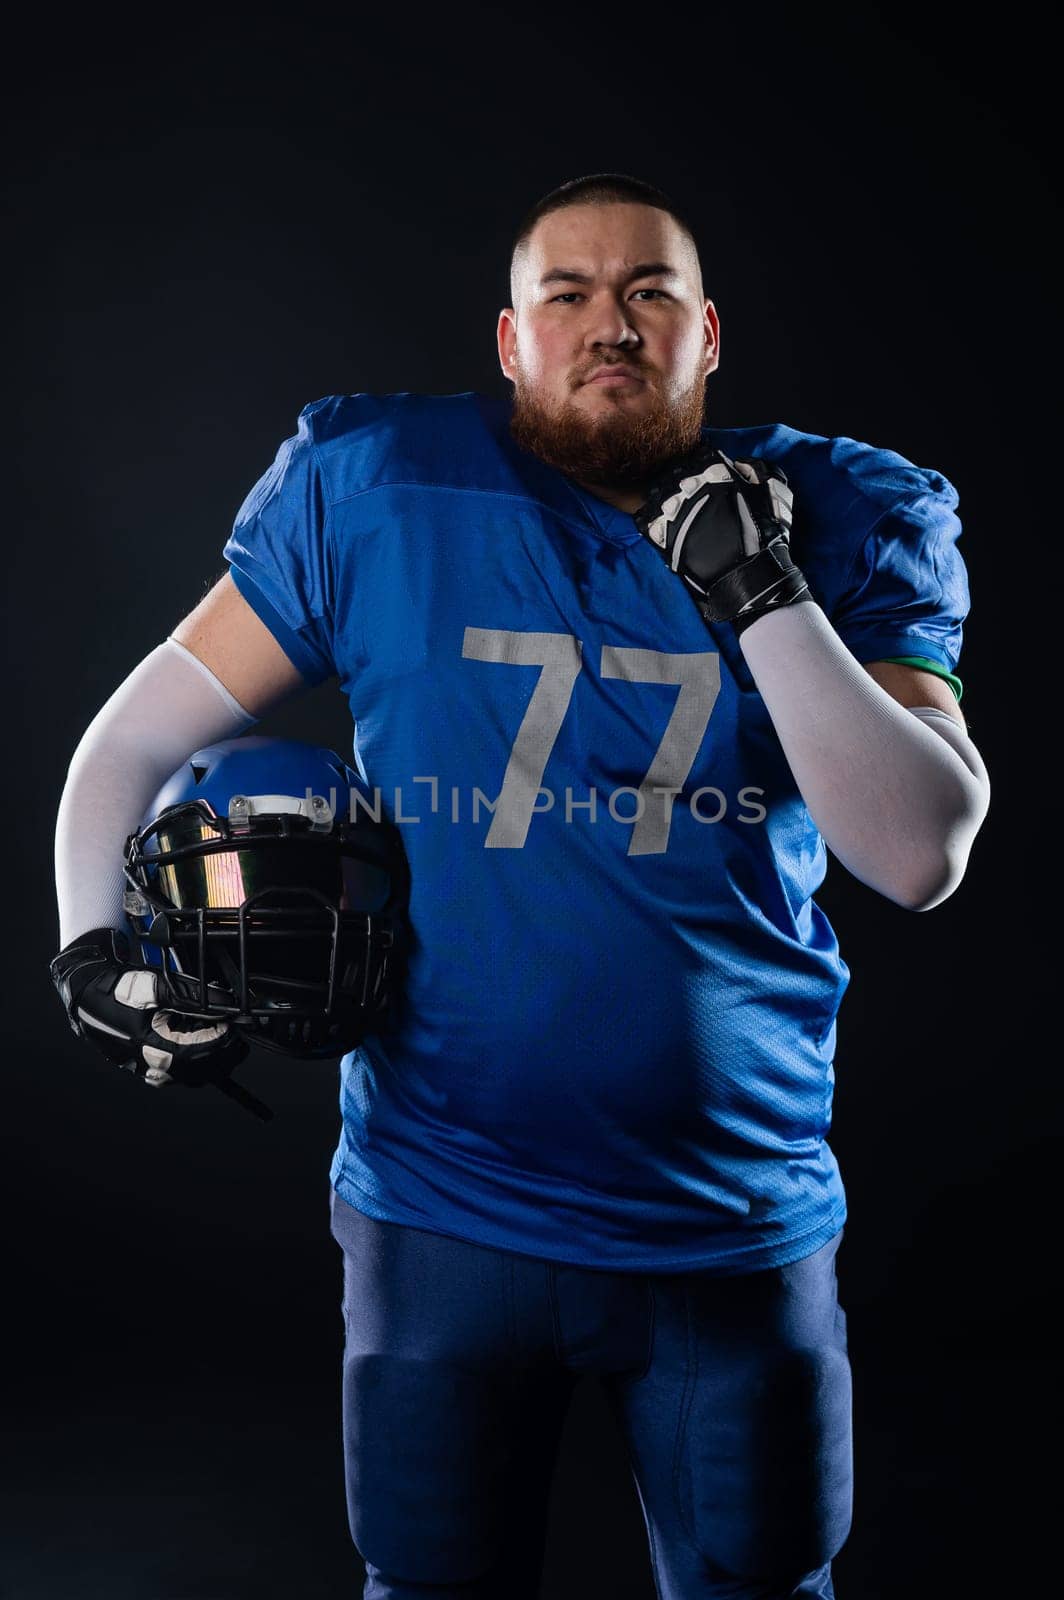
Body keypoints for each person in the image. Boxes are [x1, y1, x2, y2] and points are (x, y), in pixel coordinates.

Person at [50, 172, 991, 1598]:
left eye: (648, 294)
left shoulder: (839, 511)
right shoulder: (375, 488)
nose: (609, 324)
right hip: (444, 1208)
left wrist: (765, 592)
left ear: (708, 334)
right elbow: (131, 739)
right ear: (510, 339)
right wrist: (89, 952)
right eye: (569, 294)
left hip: (732, 1223)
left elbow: (918, 851)